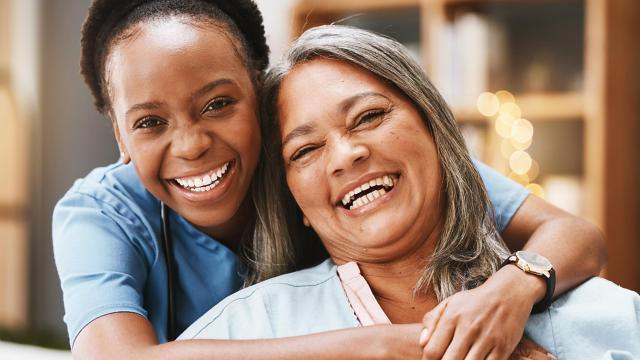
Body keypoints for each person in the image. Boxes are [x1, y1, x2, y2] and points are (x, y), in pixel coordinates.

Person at [53, 1, 606, 359]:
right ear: (119, 136)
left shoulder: (338, 155)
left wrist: (507, 293)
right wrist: (410, 346)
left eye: (219, 104)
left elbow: (573, 234)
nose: (192, 144)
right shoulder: (101, 213)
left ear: (259, 89)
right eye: (149, 122)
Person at [180, 25, 640, 360]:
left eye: (368, 117)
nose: (345, 155)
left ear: (436, 131)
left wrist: (514, 291)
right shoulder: (246, 332)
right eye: (305, 150)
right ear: (293, 200)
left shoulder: (607, 316)